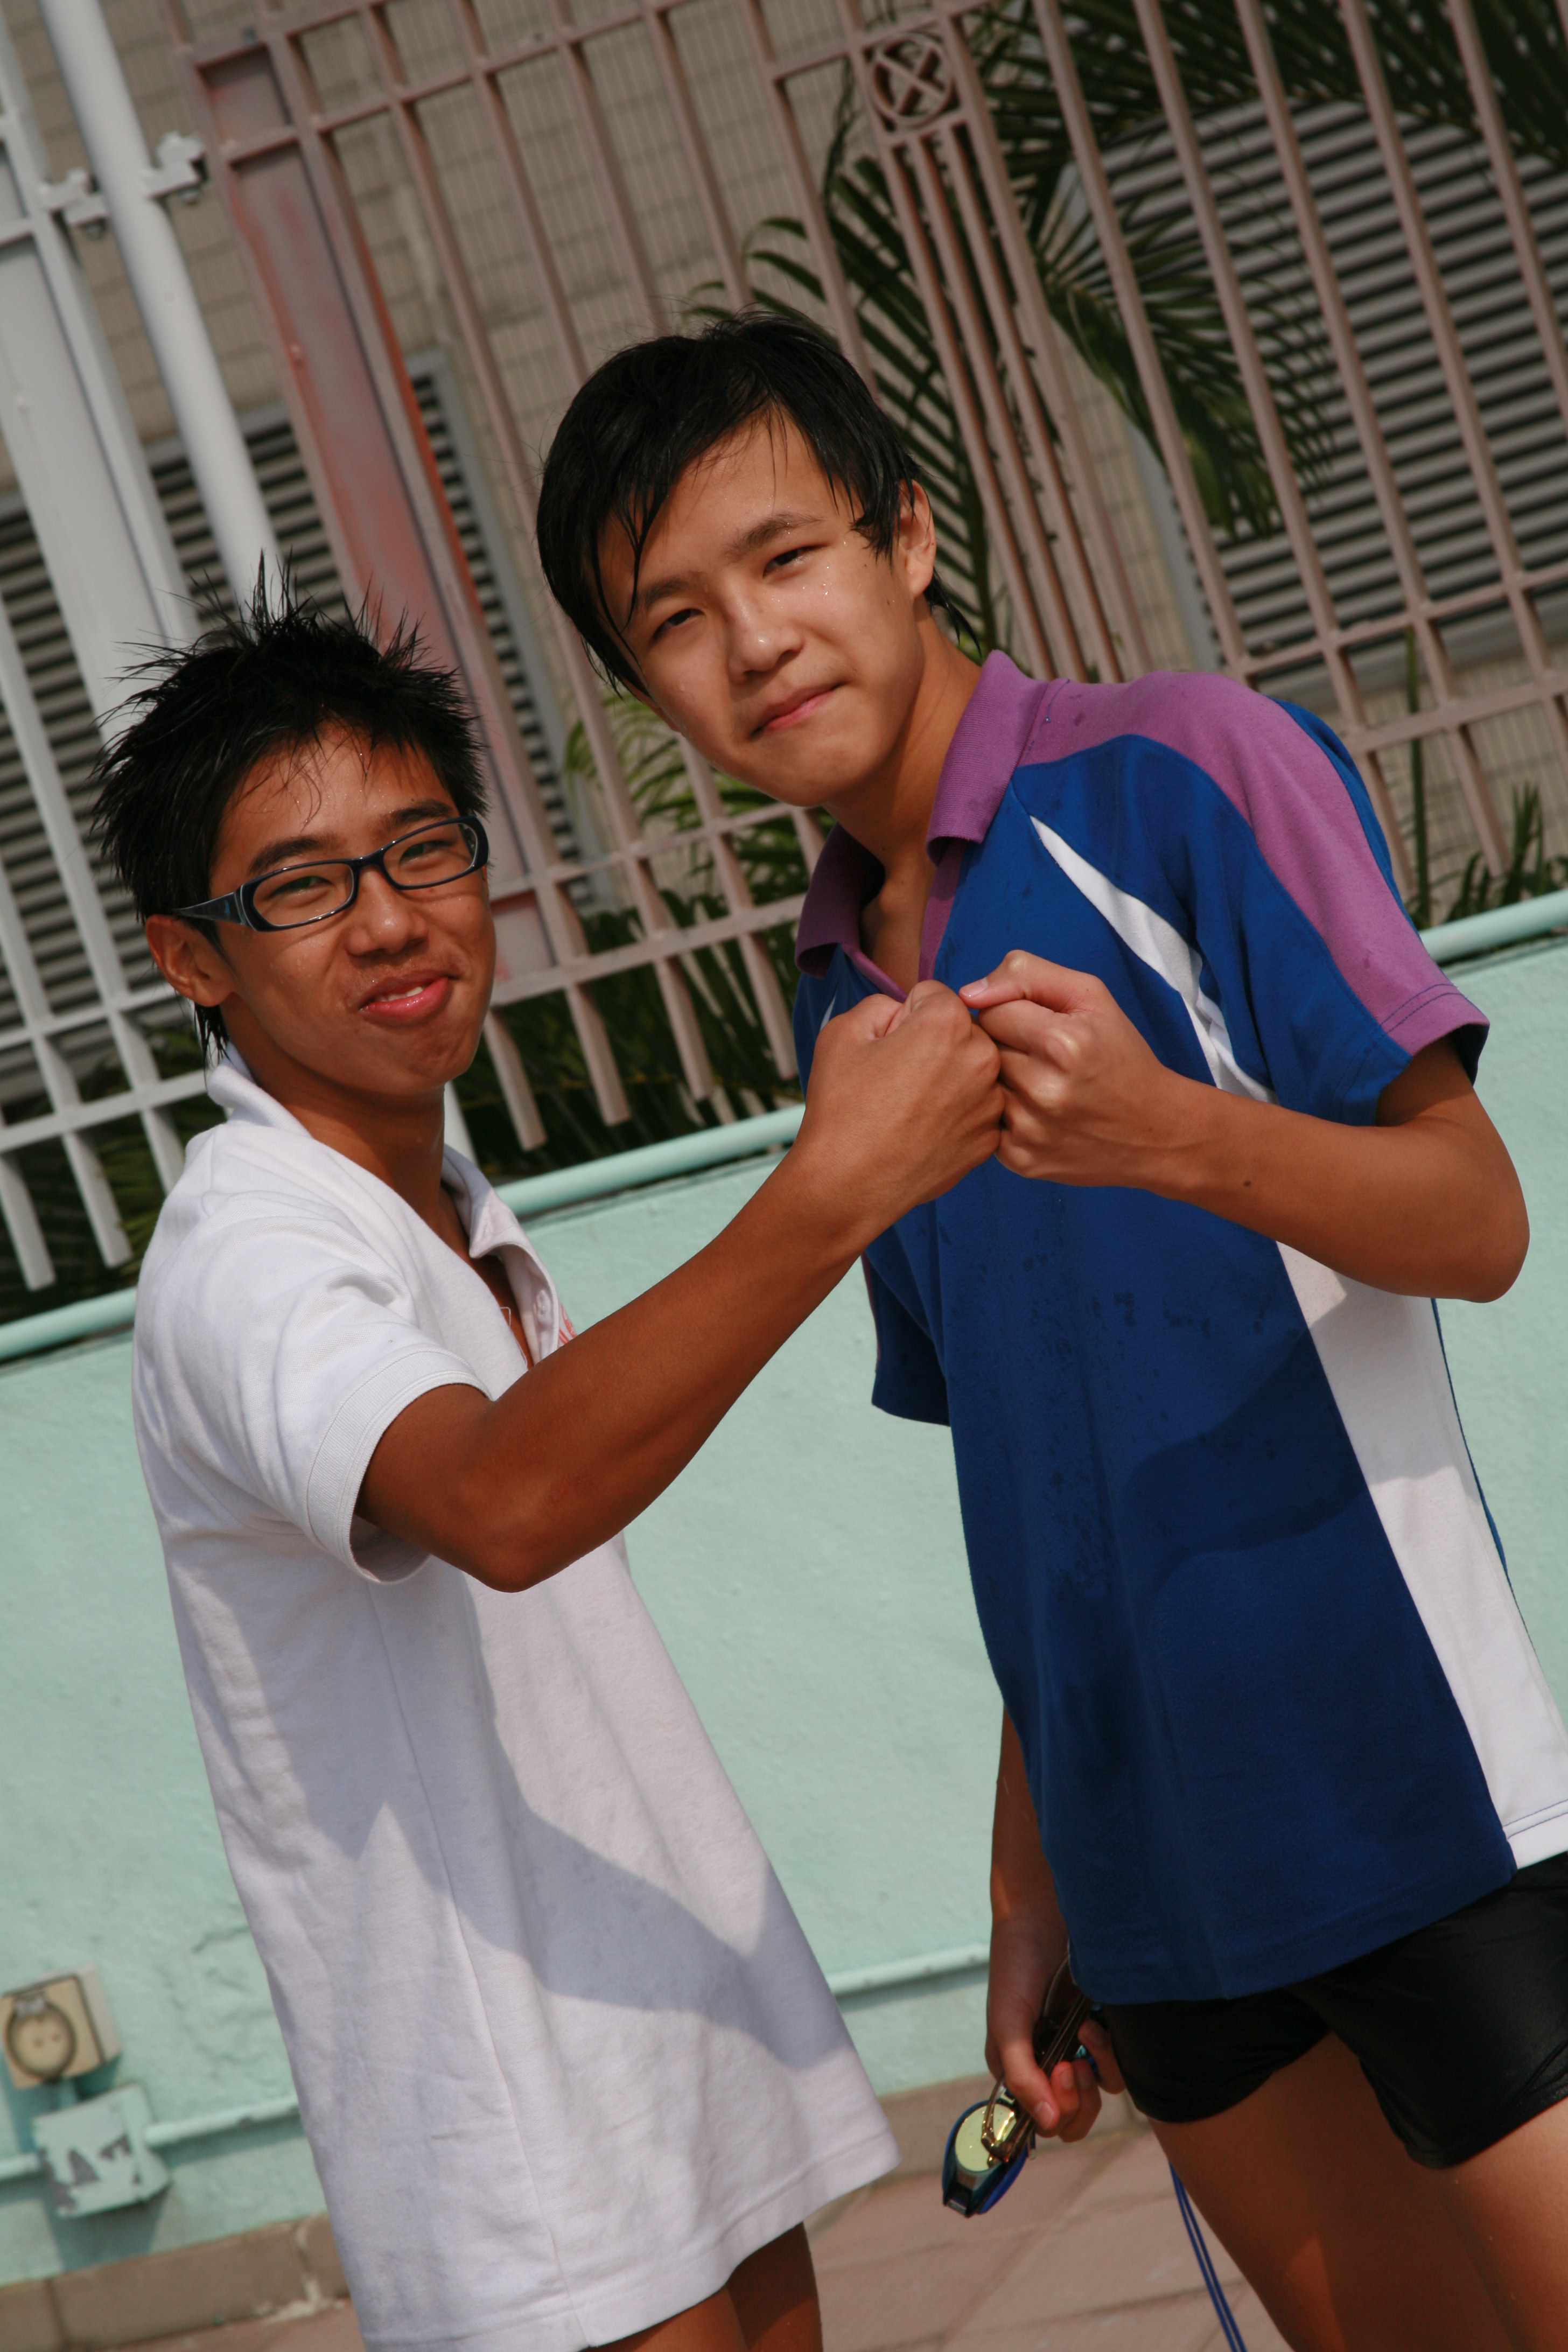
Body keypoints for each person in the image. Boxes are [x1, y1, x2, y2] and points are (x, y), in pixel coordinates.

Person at [535, 309, 1568, 2352]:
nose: (753, 642)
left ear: (910, 536)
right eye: (675, 620)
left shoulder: (1182, 770)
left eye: (787, 556)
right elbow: (1040, 1492)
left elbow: (1479, 1221)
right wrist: (1034, 1887)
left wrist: (1172, 1132)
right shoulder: (835, 999)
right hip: (1155, 1904)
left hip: (1417, 1801)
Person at [96, 589, 1003, 2352]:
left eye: (421, 847)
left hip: (664, 2035)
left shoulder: (439, 1208)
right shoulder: (248, 1254)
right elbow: (503, 1505)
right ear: (192, 958)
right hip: (521, 2136)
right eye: (301, 885)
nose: (388, 918)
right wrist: (831, 1190)